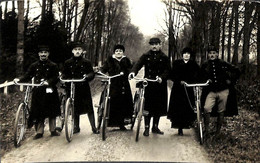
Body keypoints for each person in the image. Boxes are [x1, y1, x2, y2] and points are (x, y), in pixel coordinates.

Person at [14, 45, 61, 139]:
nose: (43, 54)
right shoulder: (34, 65)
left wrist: (48, 82)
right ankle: (39, 132)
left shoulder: (53, 65)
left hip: (49, 90)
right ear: (39, 54)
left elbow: (55, 77)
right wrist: (18, 80)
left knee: (52, 111)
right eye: (41, 52)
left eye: (45, 52)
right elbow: (27, 76)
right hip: (38, 91)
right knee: (38, 111)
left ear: (48, 54)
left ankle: (53, 130)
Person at [129, 37, 170, 136]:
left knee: (158, 106)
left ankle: (155, 126)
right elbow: (138, 65)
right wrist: (133, 72)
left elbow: (168, 70)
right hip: (148, 83)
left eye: (156, 44)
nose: (154, 46)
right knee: (147, 106)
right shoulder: (146, 56)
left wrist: (162, 77)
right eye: (152, 44)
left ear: (160, 45)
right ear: (150, 46)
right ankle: (146, 127)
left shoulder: (164, 57)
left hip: (159, 84)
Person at [201, 45, 240, 137]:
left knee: (221, 111)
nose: (212, 55)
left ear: (217, 54)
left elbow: (237, 70)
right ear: (208, 55)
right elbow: (200, 76)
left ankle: (218, 132)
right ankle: (207, 131)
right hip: (211, 91)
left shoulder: (223, 63)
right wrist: (206, 80)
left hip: (223, 90)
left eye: (214, 53)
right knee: (206, 108)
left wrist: (231, 81)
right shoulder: (205, 65)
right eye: (210, 53)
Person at [62, 42, 99, 134]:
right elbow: (64, 73)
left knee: (89, 107)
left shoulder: (86, 62)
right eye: (75, 50)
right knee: (74, 107)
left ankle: (94, 127)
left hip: (83, 87)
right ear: (72, 51)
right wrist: (62, 78)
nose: (77, 51)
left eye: (79, 50)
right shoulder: (67, 62)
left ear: (82, 51)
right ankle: (76, 127)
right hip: (71, 87)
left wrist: (87, 76)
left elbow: (91, 73)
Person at [167, 47, 201, 136]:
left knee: (187, 107)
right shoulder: (176, 63)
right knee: (178, 108)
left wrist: (192, 82)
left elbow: (198, 75)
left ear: (190, 55)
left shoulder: (193, 64)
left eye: (188, 54)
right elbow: (172, 74)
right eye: (185, 53)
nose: (186, 55)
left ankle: (188, 124)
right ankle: (179, 128)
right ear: (182, 55)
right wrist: (179, 81)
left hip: (188, 89)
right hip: (178, 90)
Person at [100, 44, 133, 130]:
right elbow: (104, 69)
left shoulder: (126, 60)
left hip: (123, 84)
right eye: (117, 51)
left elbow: (130, 69)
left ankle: (123, 123)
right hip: (113, 83)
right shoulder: (110, 60)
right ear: (114, 52)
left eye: (120, 51)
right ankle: (110, 121)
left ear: (123, 52)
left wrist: (130, 74)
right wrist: (101, 74)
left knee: (125, 101)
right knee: (111, 100)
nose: (118, 52)